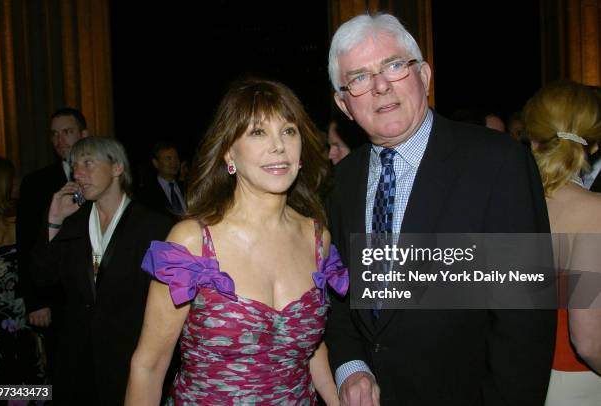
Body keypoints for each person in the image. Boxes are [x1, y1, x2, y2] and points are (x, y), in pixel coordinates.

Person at [325, 13, 556, 405]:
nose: (381, 86)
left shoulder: (497, 163)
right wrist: (351, 367)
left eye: (394, 66)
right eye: (359, 78)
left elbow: (525, 321)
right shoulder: (342, 181)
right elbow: (340, 295)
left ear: (425, 77)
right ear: (344, 103)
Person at [125, 79, 347, 406]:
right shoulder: (193, 243)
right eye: (258, 132)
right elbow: (149, 366)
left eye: (288, 131)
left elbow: (311, 348)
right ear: (229, 151)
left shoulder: (317, 239)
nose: (278, 146)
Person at [31, 136, 173, 405]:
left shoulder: (154, 227)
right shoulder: (72, 222)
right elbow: (42, 277)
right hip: (77, 362)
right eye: (74, 165)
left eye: (88, 163)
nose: (78, 173)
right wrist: (53, 221)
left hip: (128, 360)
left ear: (117, 167)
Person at [522, 81, 601, 405]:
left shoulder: (503, 198)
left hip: (514, 376)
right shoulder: (592, 212)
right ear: (594, 145)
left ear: (531, 137)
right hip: (574, 383)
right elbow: (587, 341)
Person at [16, 107, 89, 382]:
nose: (60, 140)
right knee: (61, 376)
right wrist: (35, 301)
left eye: (67, 132)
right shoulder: (36, 183)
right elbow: (25, 244)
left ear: (84, 134)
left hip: (96, 296)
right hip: (56, 297)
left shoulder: (102, 175)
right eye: (54, 134)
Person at [0, 156, 45, 385]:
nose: (18, 184)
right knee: (1, 390)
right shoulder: (20, 225)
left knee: (31, 389)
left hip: (24, 326)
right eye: (13, 180)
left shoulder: (22, 224)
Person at [136, 141, 186, 218]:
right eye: (168, 158)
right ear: (156, 163)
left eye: (176, 158)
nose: (174, 162)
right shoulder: (148, 193)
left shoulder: (186, 187)